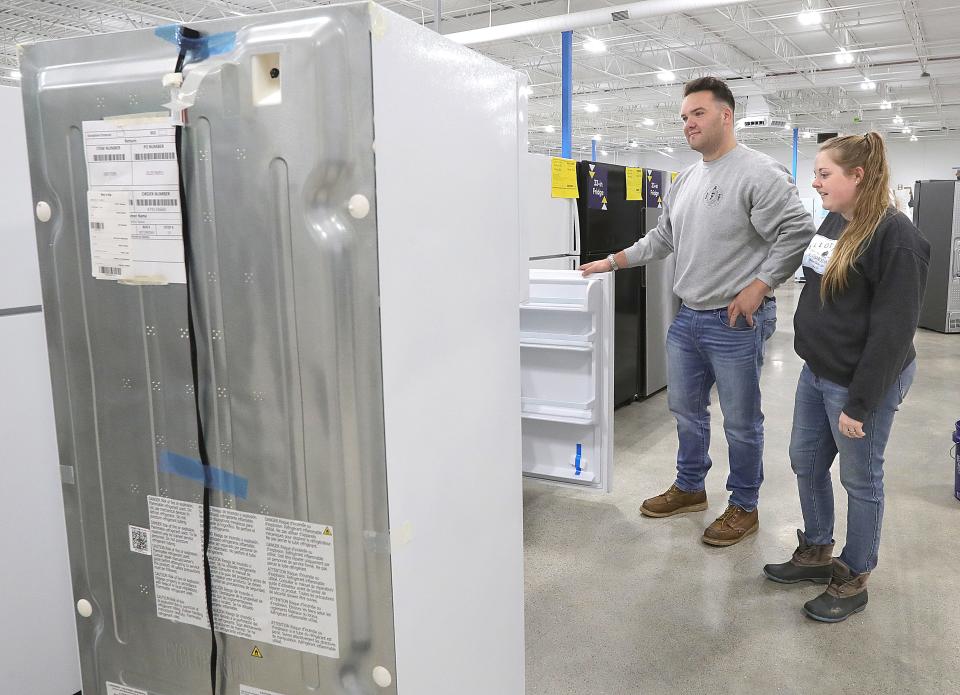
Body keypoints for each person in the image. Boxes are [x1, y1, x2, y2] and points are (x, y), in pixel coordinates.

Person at [580, 77, 815, 546]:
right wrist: (610, 261)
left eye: (697, 114)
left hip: (735, 321)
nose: (688, 123)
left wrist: (761, 284)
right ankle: (690, 488)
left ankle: (744, 505)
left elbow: (797, 230)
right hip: (688, 317)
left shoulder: (758, 172)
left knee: (741, 420)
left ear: (725, 115)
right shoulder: (687, 178)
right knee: (686, 410)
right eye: (684, 116)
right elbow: (662, 239)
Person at [762, 133, 930, 622]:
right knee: (805, 459)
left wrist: (860, 403)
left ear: (858, 176)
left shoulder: (898, 239)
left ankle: (854, 573)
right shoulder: (837, 220)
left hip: (861, 381)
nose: (814, 183)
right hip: (818, 372)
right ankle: (816, 549)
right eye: (815, 173)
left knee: (860, 477)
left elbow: (893, 333)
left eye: (823, 174)